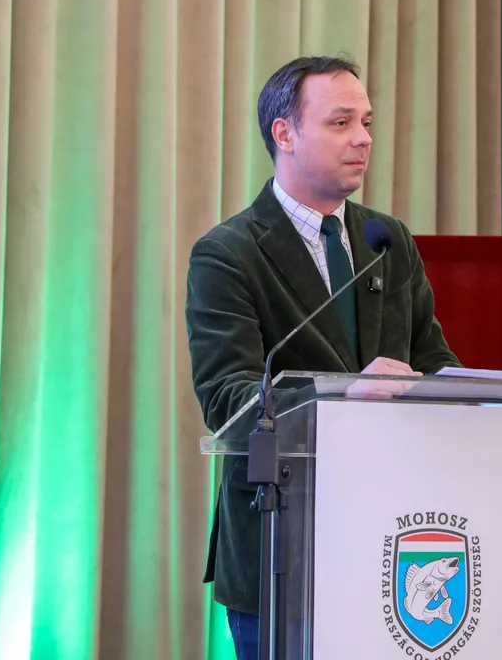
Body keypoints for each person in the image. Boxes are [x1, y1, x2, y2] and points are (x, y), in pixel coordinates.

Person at [185, 55, 461, 659]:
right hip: (283, 544)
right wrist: (342, 394)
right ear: (284, 133)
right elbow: (229, 400)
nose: (363, 138)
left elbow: (433, 358)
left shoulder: (387, 239)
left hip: (392, 534)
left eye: (366, 122)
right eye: (341, 122)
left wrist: (476, 394)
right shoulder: (228, 254)